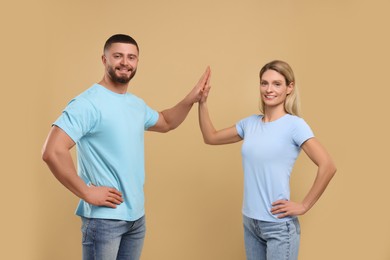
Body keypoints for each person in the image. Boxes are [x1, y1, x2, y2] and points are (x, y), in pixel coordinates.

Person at [42, 34, 210, 260]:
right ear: (104, 60)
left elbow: (167, 122)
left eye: (131, 57)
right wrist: (86, 192)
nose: (125, 62)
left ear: (137, 62)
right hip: (104, 220)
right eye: (118, 56)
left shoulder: (135, 104)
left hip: (136, 219)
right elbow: (52, 151)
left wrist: (192, 98)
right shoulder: (87, 103)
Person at [198, 60, 336, 260]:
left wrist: (304, 205)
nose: (269, 89)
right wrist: (202, 102)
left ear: (289, 88)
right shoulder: (250, 124)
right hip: (250, 222)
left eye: (277, 84)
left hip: (278, 227)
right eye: (264, 83)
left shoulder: (294, 125)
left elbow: (328, 165)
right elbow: (210, 137)